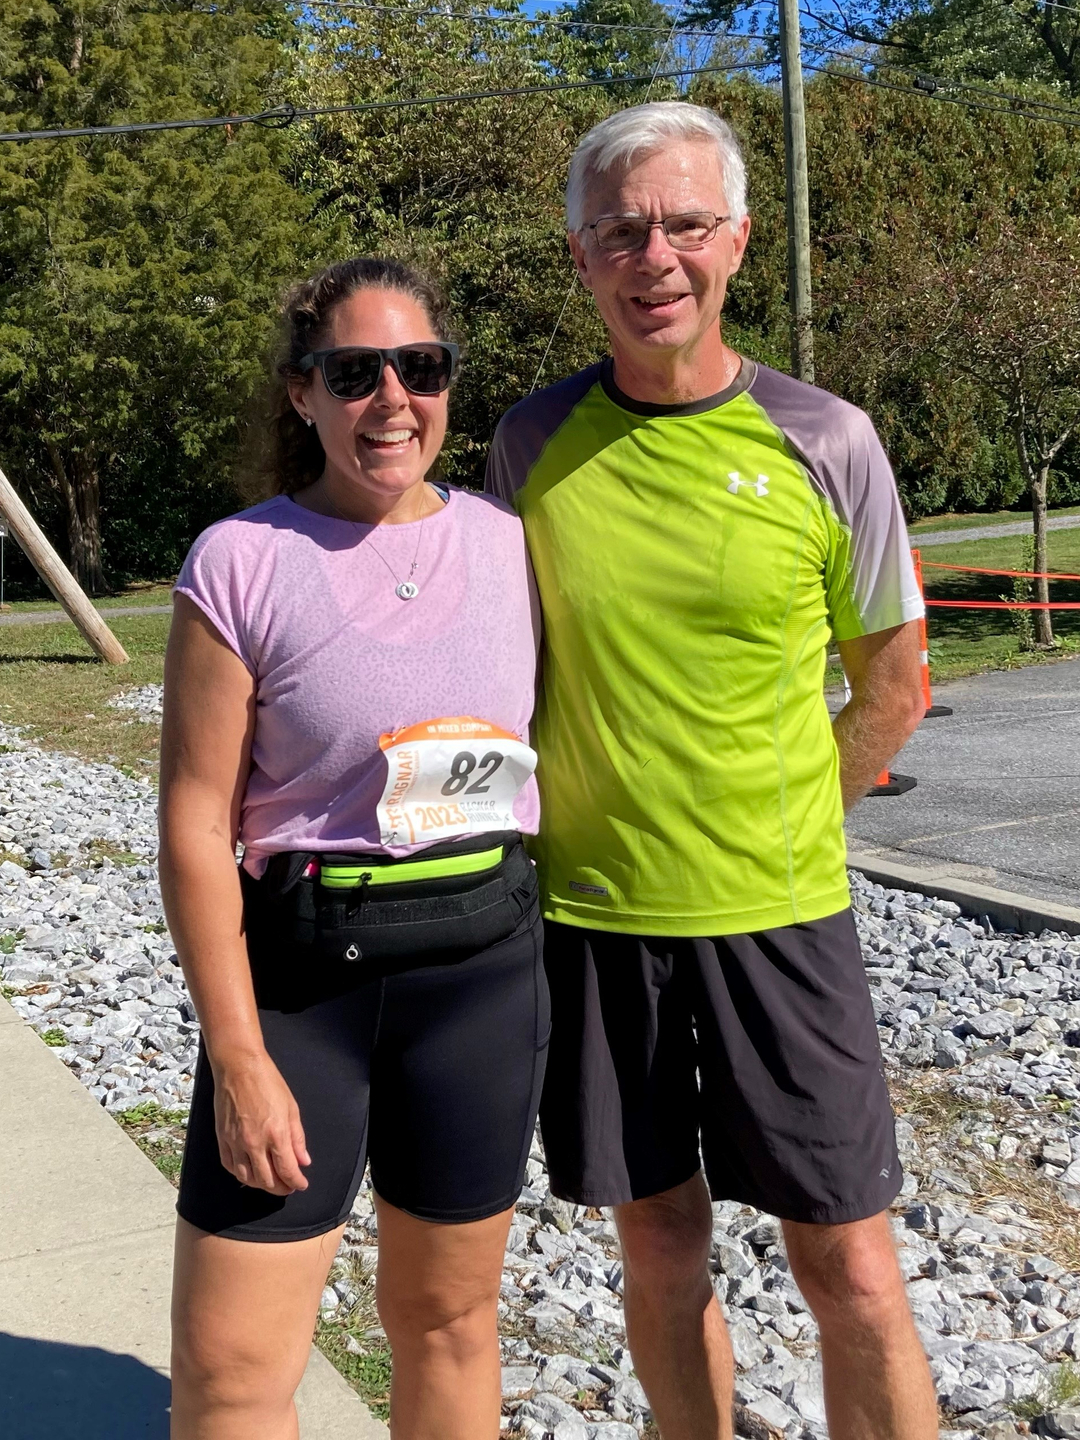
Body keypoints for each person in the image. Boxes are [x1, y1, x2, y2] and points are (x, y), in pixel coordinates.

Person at [487, 102, 938, 1440]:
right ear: (581, 257)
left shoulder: (829, 441)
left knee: (851, 1266)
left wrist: (785, 817)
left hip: (781, 917)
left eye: (686, 224)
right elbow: (502, 665)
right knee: (661, 1250)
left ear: (737, 240)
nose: (657, 257)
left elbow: (895, 686)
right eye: (622, 230)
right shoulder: (530, 443)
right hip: (594, 922)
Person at [160, 256, 547, 1440]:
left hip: (480, 980)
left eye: (419, 368)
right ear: (304, 396)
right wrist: (237, 1058)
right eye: (354, 372)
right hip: (303, 990)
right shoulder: (242, 562)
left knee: (448, 1327)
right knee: (230, 1372)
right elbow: (192, 822)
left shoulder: (512, 543)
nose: (392, 399)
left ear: (446, 384)